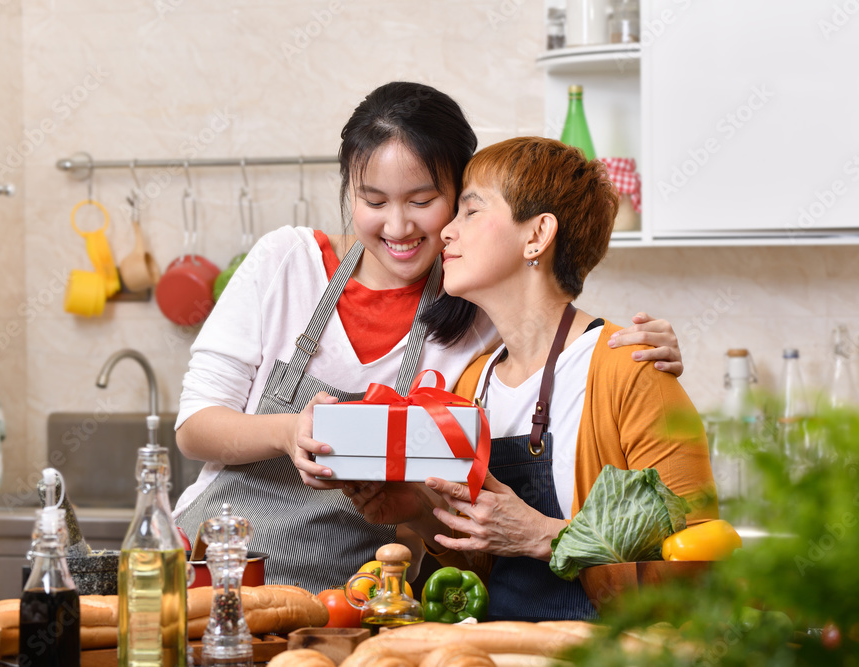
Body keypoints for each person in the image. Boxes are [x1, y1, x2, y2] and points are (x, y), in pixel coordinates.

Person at [173, 82, 686, 593]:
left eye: (426, 201)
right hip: (205, 564)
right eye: (373, 200)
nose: (399, 226)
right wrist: (289, 434)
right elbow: (194, 427)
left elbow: (554, 318)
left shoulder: (481, 324)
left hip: (349, 600)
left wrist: (637, 348)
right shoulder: (288, 262)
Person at [338, 136, 718, 620]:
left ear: (537, 235)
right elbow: (478, 564)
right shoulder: (472, 384)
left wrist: (543, 535)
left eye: (469, 212)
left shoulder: (630, 369)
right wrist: (415, 509)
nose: (446, 233)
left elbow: (695, 567)